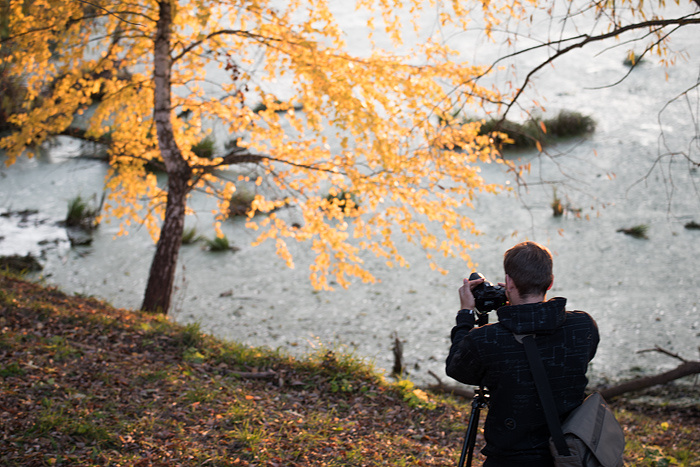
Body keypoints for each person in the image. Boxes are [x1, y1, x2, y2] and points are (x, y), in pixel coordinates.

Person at [446, 241, 599, 467]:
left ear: (508, 282)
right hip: (570, 457)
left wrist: (466, 315)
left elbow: (457, 367)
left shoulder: (487, 340)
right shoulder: (583, 327)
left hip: (508, 460)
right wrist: (518, 311)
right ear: (550, 282)